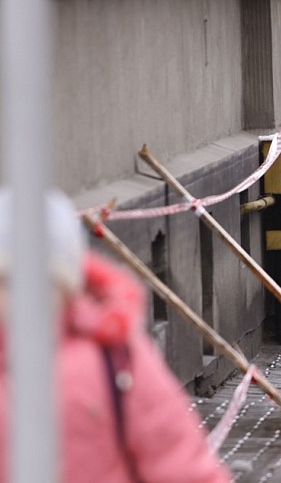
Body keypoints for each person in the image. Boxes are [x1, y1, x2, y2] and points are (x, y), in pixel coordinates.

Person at [0, 189, 232, 482]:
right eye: (9, 282)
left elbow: (177, 460)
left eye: (42, 281)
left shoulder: (115, 356)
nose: (25, 295)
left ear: (68, 285)